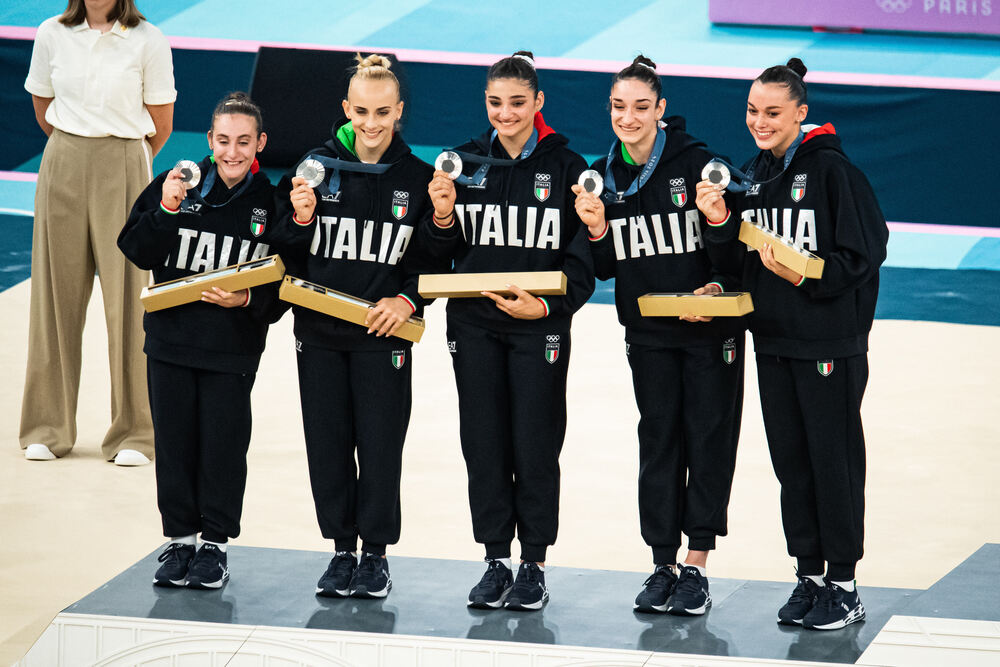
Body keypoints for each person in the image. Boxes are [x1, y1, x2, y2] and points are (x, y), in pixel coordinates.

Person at [695, 58, 888, 631]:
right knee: (793, 466)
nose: (761, 122)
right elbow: (745, 259)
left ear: (801, 114)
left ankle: (845, 583)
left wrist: (806, 277)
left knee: (833, 463)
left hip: (829, 343)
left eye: (773, 113)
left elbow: (866, 250)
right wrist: (717, 231)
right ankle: (809, 575)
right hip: (773, 343)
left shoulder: (833, 173)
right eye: (753, 111)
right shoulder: (754, 175)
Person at [573, 55, 745, 616]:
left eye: (641, 107)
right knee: (659, 441)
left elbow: (736, 254)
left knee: (707, 440)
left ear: (661, 110)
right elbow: (604, 266)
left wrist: (717, 282)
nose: (629, 117)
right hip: (647, 333)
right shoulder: (605, 174)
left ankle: (696, 565)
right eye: (619, 107)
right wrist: (597, 227)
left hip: (705, 332)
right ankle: (661, 561)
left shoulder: (698, 165)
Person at [426, 50, 595, 611]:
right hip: (473, 326)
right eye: (495, 103)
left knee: (535, 442)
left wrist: (547, 310)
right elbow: (438, 253)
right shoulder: (463, 162)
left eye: (518, 102)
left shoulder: (568, 167)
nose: (506, 113)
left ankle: (534, 564)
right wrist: (443, 215)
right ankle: (496, 558)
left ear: (539, 102)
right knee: (484, 441)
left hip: (537, 326)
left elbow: (582, 262)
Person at [275, 54, 438, 600]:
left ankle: (375, 555)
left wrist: (409, 298)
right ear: (346, 109)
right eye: (362, 111)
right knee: (327, 445)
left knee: (380, 444)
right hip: (319, 336)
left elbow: (435, 258)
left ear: (400, 112)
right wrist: (299, 219)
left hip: (382, 338)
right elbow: (281, 249)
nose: (372, 123)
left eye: (383, 112)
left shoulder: (416, 179)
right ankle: (342, 548)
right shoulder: (313, 169)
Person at [118, 92, 278, 589]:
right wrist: (166, 208)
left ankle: (215, 544)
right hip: (169, 344)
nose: (233, 152)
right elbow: (136, 249)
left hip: (232, 352)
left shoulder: (270, 203)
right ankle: (181, 539)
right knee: (175, 443)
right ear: (209, 140)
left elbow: (282, 287)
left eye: (244, 142)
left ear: (261, 144)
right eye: (224, 140)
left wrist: (247, 301)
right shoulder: (178, 185)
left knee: (223, 447)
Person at [21, 0, 175, 466]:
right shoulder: (51, 33)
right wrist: (76, 146)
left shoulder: (149, 40)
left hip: (125, 160)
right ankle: (48, 426)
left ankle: (134, 432)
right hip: (63, 160)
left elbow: (161, 124)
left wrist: (124, 161)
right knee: (53, 297)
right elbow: (44, 108)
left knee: (128, 300)